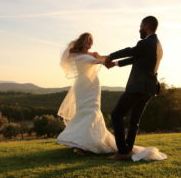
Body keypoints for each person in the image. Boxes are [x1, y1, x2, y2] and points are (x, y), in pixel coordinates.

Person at [57, 30, 166, 161]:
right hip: (82, 86)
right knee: (83, 111)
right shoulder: (77, 55)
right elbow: (97, 60)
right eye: (88, 41)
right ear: (82, 41)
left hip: (93, 86)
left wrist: (107, 59)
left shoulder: (92, 55)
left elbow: (102, 58)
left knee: (93, 111)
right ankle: (80, 142)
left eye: (91, 41)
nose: (90, 44)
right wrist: (107, 60)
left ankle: (87, 143)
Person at [105, 16, 164, 160]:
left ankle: (122, 152)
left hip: (138, 87)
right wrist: (116, 63)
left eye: (141, 25)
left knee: (117, 114)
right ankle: (127, 150)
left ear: (146, 25)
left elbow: (130, 51)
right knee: (134, 120)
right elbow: (136, 58)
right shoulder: (157, 44)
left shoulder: (146, 42)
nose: (140, 28)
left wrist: (110, 56)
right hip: (149, 88)